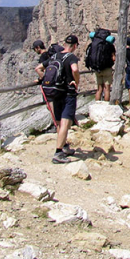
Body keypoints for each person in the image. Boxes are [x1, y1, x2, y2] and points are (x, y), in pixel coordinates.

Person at [51, 34, 81, 164]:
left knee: (59, 122)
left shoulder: (54, 56)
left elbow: (39, 68)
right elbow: (74, 69)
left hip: (55, 92)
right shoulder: (71, 57)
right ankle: (58, 153)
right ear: (74, 46)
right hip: (68, 93)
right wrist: (76, 81)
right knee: (65, 122)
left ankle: (64, 146)